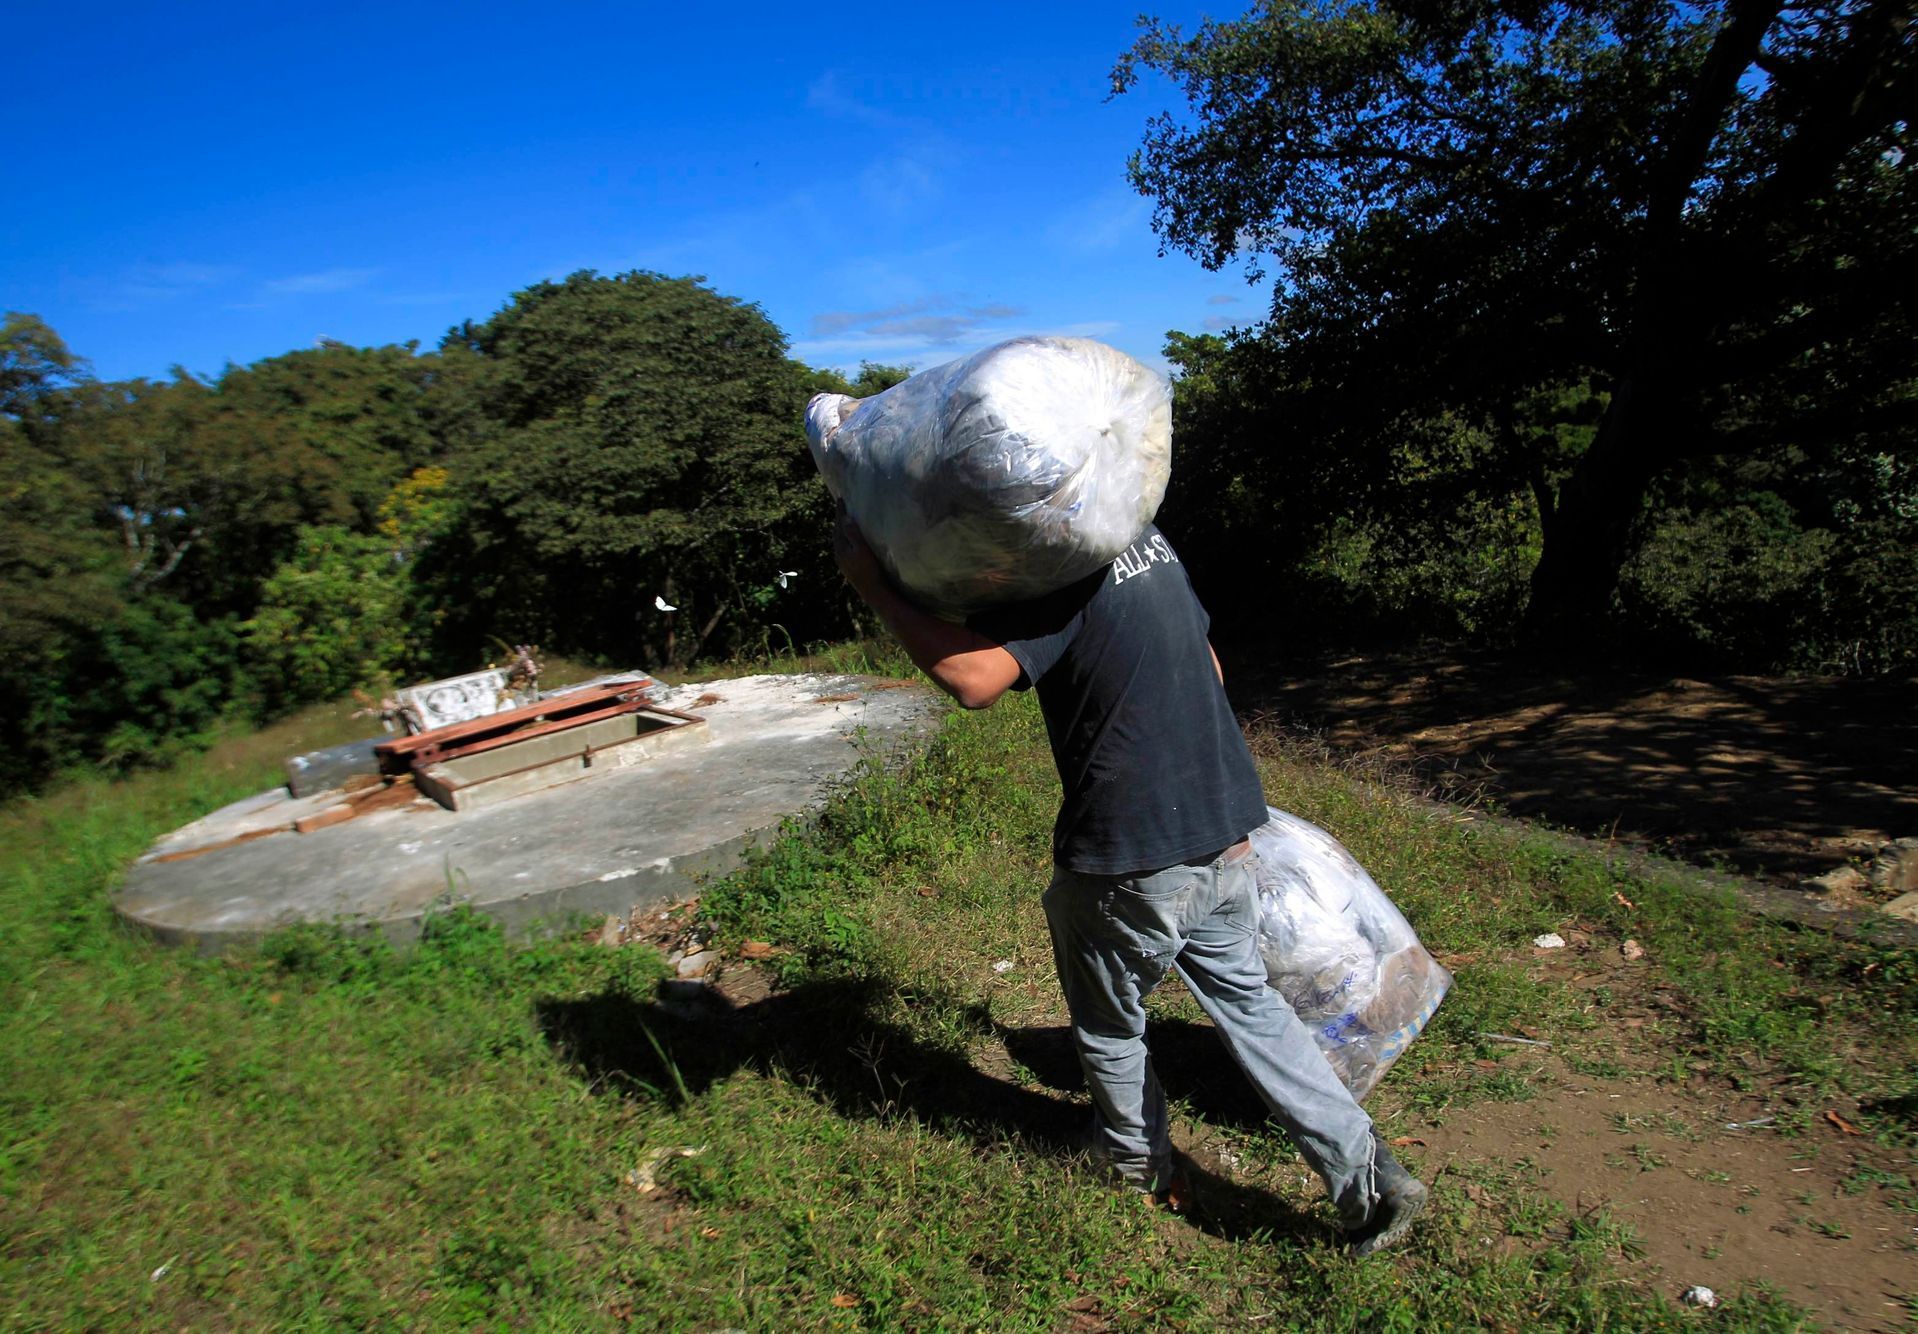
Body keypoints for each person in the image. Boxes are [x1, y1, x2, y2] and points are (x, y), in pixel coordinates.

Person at [831, 506, 1428, 1255]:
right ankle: (1371, 1182)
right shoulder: (1141, 535)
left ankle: (1133, 1162)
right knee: (1254, 1009)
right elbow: (1208, 664)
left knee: (1112, 1023)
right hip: (1223, 827)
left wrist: (875, 588)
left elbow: (976, 680)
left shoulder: (1052, 572)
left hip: (1131, 854)